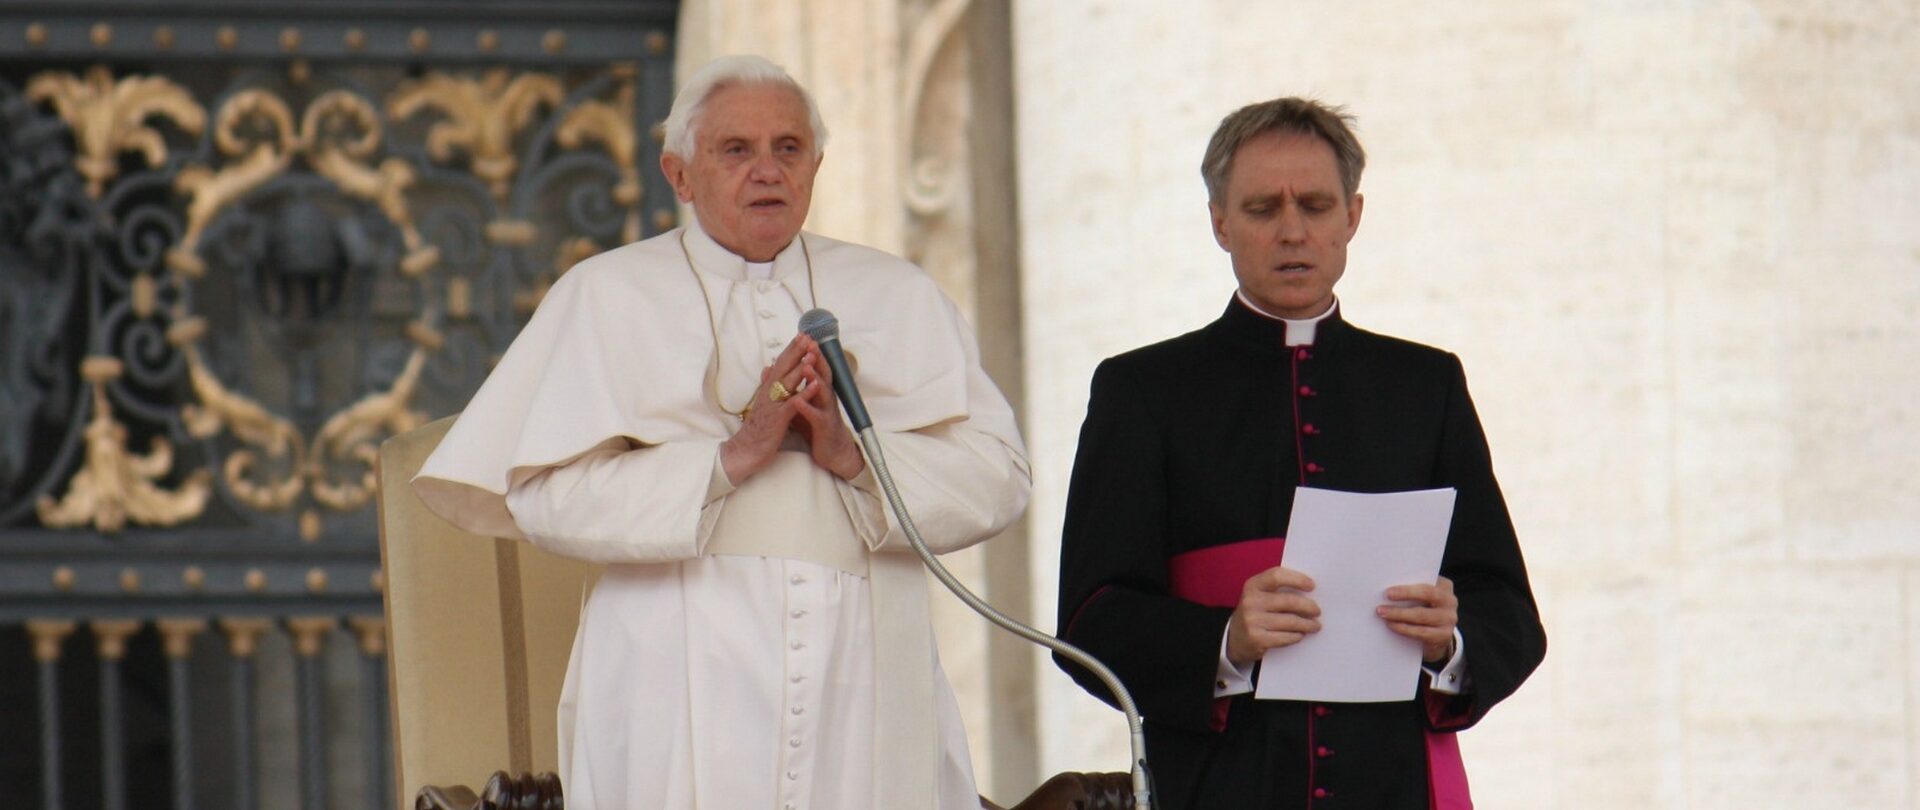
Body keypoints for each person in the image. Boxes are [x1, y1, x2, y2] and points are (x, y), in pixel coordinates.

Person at [411, 55, 1030, 810]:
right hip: (672, 670)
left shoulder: (897, 293)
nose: (767, 170)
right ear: (679, 175)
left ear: (817, 166)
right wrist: (729, 459)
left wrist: (853, 457)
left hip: (864, 666)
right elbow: (544, 497)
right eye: (736, 150)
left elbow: (998, 479)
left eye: (789, 149)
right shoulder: (606, 296)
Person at [1054, 97, 1546, 810]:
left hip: (1394, 783)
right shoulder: (1142, 391)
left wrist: (1452, 639)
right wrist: (1225, 640)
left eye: (1316, 205)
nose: (1293, 231)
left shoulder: (1425, 385)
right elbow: (1090, 619)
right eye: (1262, 208)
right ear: (1219, 221)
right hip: (1218, 784)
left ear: (1353, 216)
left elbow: (1510, 611)